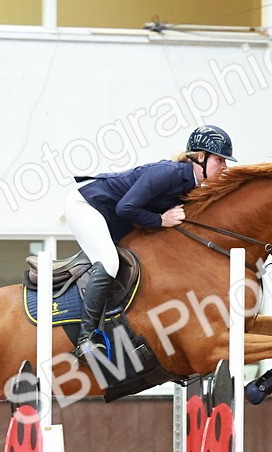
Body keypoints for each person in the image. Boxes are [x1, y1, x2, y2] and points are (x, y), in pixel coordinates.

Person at [65, 124, 236, 359]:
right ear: (201, 158)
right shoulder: (168, 173)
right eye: (220, 160)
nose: (225, 167)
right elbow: (125, 207)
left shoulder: (191, 186)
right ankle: (86, 339)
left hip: (111, 216)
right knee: (109, 262)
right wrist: (160, 220)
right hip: (86, 204)